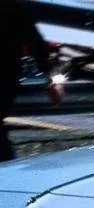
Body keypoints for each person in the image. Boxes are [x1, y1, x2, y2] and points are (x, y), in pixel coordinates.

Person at [0, 0, 63, 162]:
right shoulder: (15, 8)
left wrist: (52, 81)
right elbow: (36, 45)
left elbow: (36, 44)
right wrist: (53, 82)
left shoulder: (15, 8)